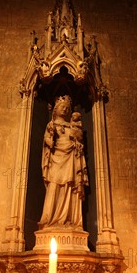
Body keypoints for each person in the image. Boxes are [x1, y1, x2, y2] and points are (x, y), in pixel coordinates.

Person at [39, 96, 88, 229]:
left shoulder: (73, 125)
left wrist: (77, 138)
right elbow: (47, 140)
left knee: (70, 185)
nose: (65, 109)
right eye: (62, 106)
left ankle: (70, 220)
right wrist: (50, 140)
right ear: (55, 109)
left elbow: (79, 139)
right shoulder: (51, 125)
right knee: (54, 185)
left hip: (71, 157)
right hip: (56, 158)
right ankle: (50, 220)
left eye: (67, 107)